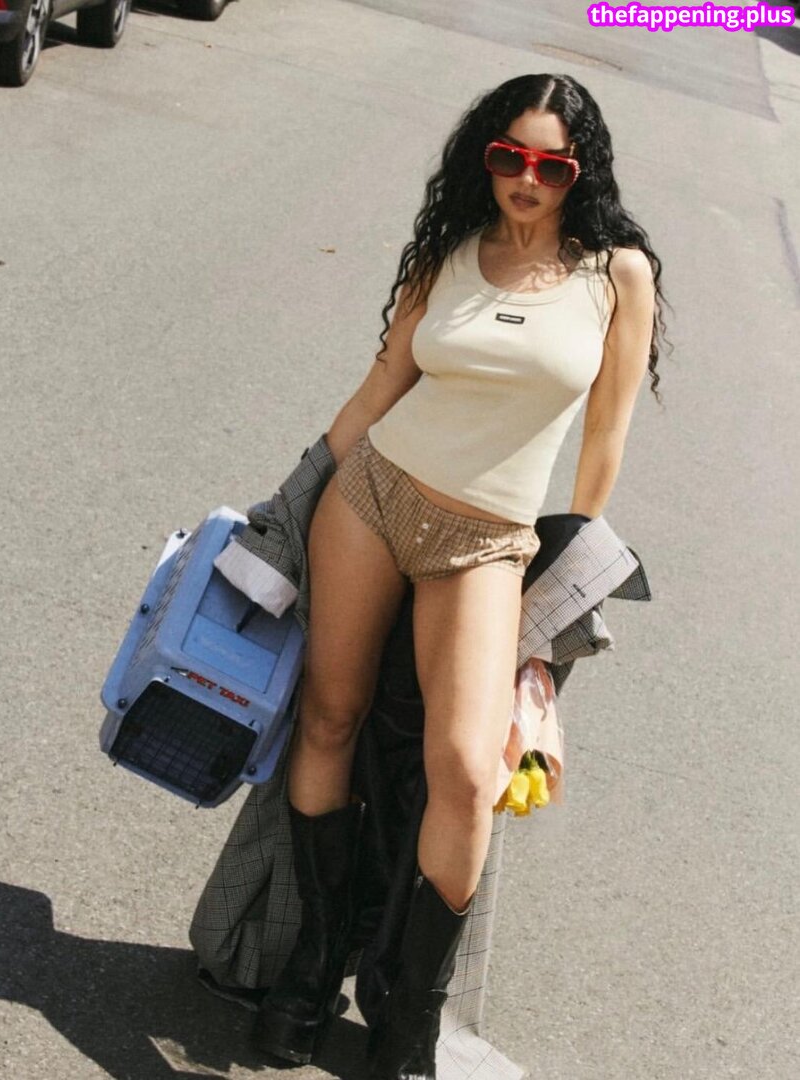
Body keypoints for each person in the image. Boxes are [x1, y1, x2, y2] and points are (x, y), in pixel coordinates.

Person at [252, 72, 666, 1078]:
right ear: (487, 155)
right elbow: (384, 384)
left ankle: (411, 1016)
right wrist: (289, 499)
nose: (527, 179)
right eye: (509, 156)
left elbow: (605, 434)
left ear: (581, 173)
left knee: (470, 772)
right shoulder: (451, 249)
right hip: (374, 498)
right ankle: (314, 964)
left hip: (488, 541)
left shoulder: (616, 275)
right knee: (329, 720)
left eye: (551, 165)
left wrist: (570, 566)